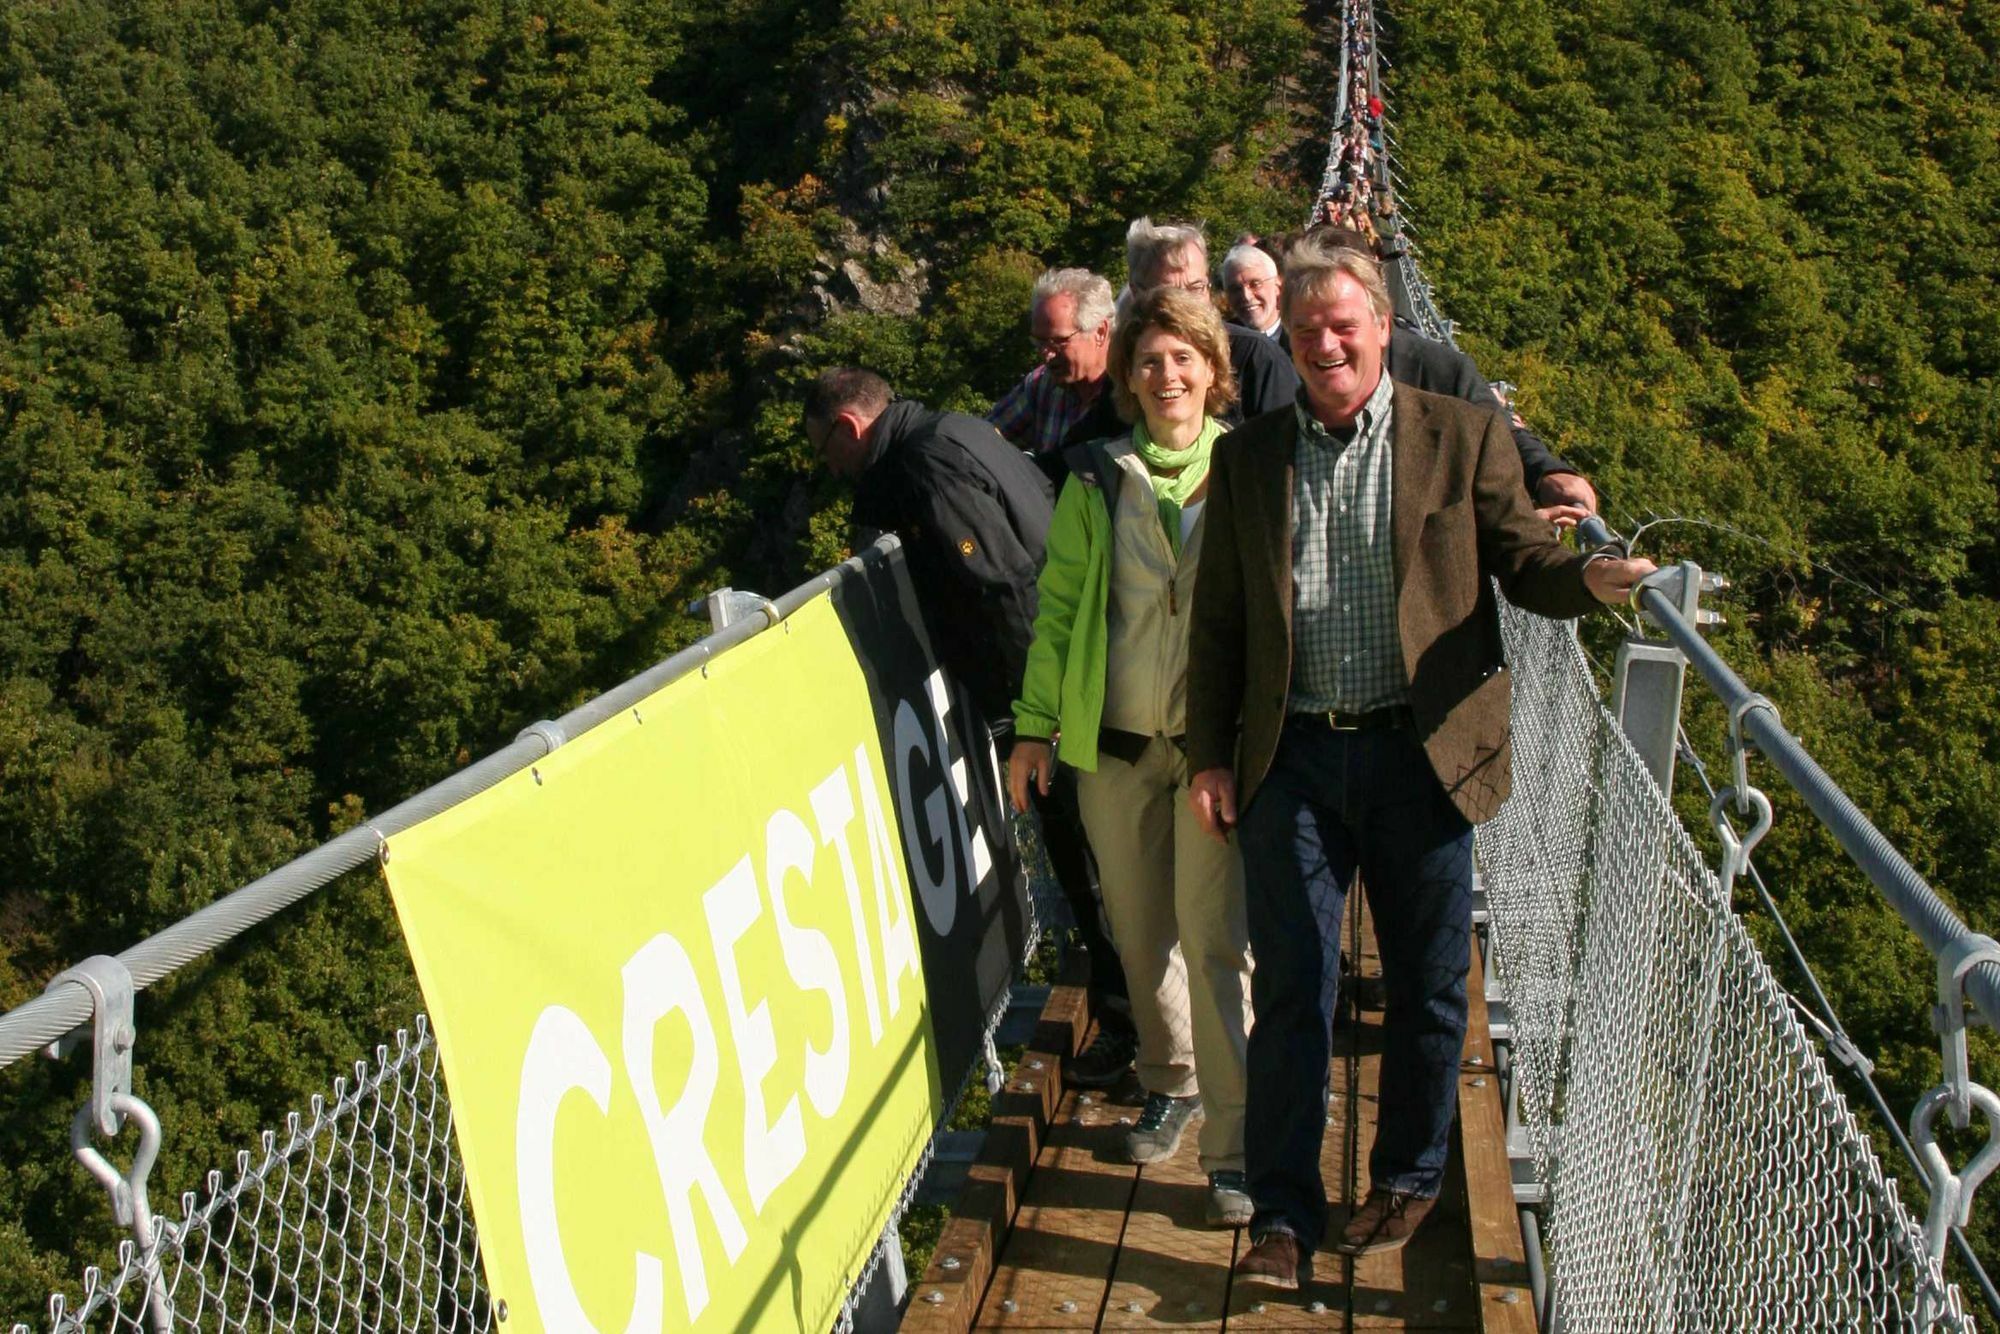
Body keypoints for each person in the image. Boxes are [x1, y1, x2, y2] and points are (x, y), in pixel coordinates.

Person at [1184, 239, 1655, 1287]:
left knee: (1430, 984)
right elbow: (1217, 621)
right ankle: (1281, 1216)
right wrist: (1208, 755)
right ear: (1284, 341)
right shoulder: (1248, 457)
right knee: (1294, 987)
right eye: (1305, 331)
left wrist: (1593, 580)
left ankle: (1406, 1176)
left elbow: (1523, 562)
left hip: (1422, 749)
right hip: (1291, 756)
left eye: (1343, 325)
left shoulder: (1462, 433)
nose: (1324, 345)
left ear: (1385, 328)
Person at [1008, 288, 1256, 1228]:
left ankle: (1235, 1147)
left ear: (1212, 369)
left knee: (1216, 939)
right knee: (1143, 933)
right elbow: (1060, 609)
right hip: (1112, 741)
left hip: (1212, 747)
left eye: (1184, 357)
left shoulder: (1251, 469)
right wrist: (1035, 727)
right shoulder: (1093, 477)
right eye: (1150, 360)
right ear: (1128, 377)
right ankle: (1172, 1080)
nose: (1167, 375)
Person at [806, 370, 1137, 1068]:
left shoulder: (924, 467)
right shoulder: (958, 427)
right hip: (1085, 655)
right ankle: (1146, 1015)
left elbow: (1001, 582)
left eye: (824, 449)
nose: (828, 468)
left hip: (1044, 685)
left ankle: (1130, 1024)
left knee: (1086, 857)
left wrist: (1032, 717)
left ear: (848, 427)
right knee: (1111, 847)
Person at [1313, 225, 1601, 522]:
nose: (1325, 344)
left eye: (1343, 322)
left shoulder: (1434, 366)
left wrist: (1545, 471)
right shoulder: (1287, 362)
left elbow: (1492, 428)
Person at [1122, 218, 1300, 421]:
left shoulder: (1257, 358)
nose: (1186, 303)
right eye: (1170, 293)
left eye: (1196, 288)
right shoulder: (1125, 360)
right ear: (1137, 293)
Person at [988, 269, 1118, 467]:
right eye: (1039, 342)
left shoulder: (1132, 393)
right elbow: (986, 439)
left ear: (1100, 332)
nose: (1046, 354)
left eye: (1059, 341)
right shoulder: (1041, 384)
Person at [1222, 243, 1285, 345]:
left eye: (1255, 284)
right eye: (1236, 289)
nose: (1246, 296)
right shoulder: (1223, 341)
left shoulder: (1301, 333)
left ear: (1277, 287)